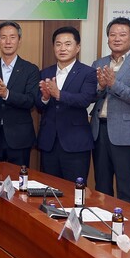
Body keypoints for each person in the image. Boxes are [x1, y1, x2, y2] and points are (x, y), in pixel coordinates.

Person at [90, 17, 130, 205]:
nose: (117, 38)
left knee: (125, 185)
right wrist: (100, 87)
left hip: (125, 133)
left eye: (122, 34)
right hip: (99, 129)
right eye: (112, 35)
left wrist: (114, 84)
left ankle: (127, 221)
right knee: (101, 184)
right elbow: (90, 96)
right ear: (107, 38)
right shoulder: (98, 63)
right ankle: (102, 219)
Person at [36, 26, 97, 183]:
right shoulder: (45, 73)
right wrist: (45, 98)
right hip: (49, 142)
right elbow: (38, 107)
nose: (62, 48)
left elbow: (85, 99)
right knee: (49, 189)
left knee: (75, 190)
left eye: (68, 44)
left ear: (78, 47)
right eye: (58, 44)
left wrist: (58, 94)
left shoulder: (88, 73)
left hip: (75, 143)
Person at [0, 21, 39, 167]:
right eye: (3, 37)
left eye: (12, 37)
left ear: (19, 40)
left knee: (19, 178)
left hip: (20, 137)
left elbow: (31, 100)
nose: (8, 42)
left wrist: (6, 94)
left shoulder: (30, 69)